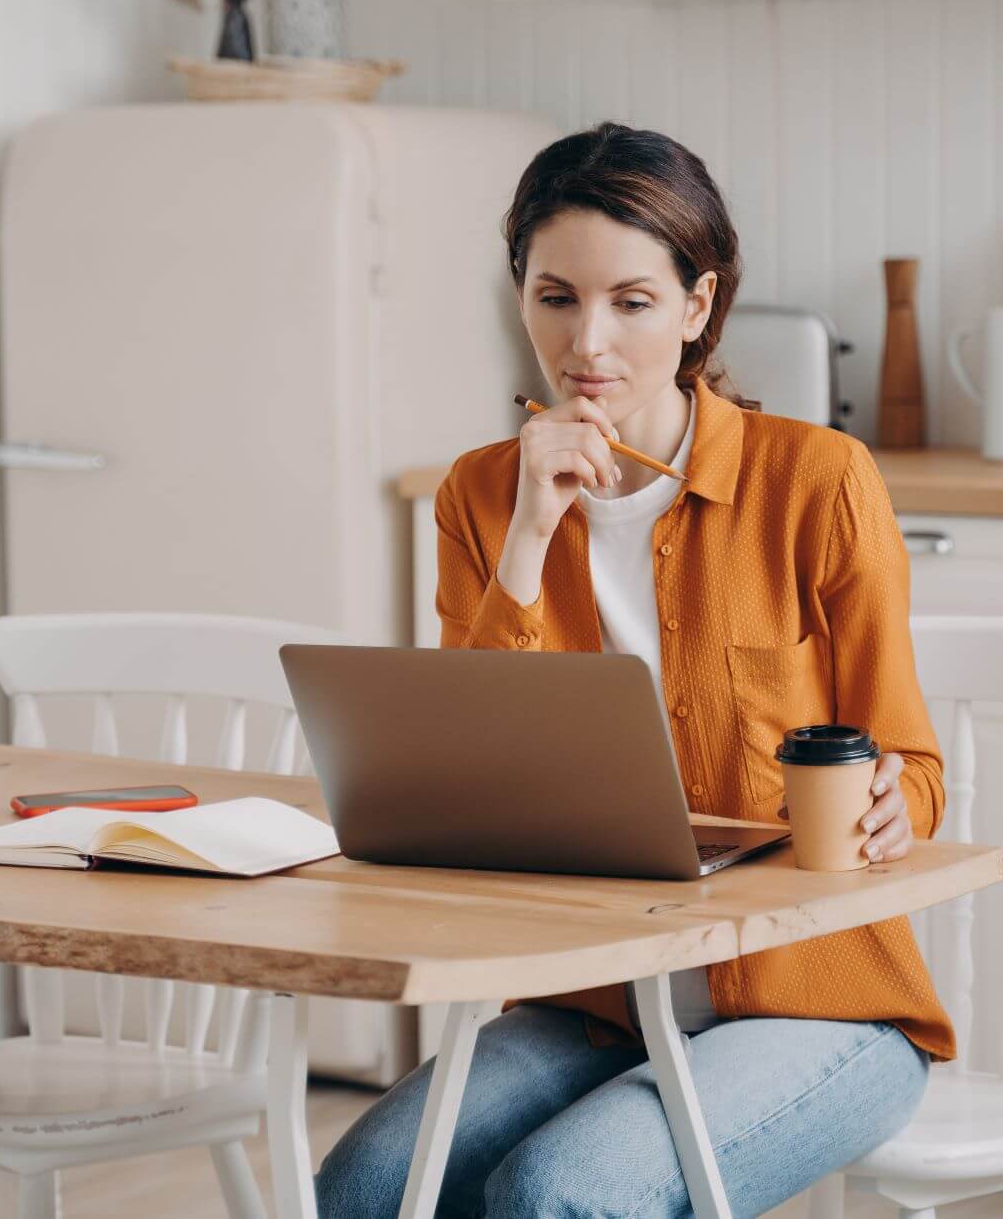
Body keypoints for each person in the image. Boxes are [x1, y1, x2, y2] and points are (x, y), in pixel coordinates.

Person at [314, 123, 951, 1218]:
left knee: (555, 1193)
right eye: (554, 296)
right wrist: (525, 539)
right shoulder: (478, 495)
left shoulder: (818, 481)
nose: (586, 341)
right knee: (366, 1182)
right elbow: (467, 786)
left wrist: (897, 799)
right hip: (593, 998)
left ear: (697, 307)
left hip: (820, 1008)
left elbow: (916, 769)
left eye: (632, 302)